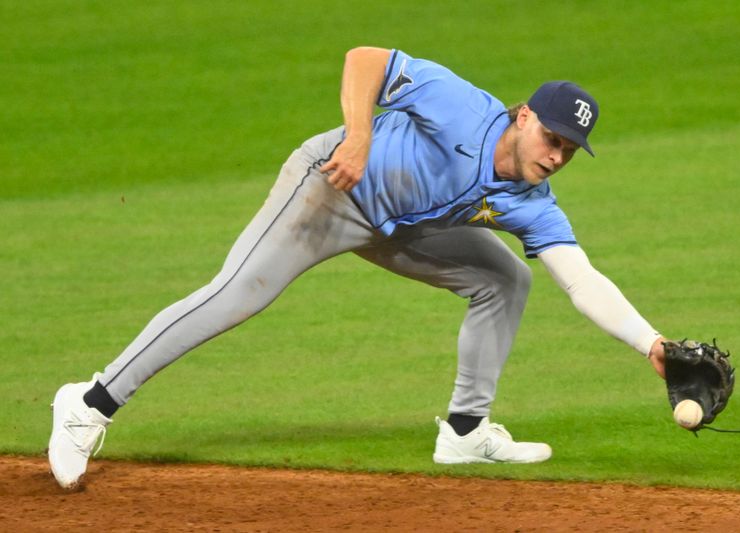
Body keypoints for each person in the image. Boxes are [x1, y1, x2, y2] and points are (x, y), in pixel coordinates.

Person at [48, 47, 668, 489]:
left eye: (569, 149)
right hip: (332, 189)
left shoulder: (534, 203)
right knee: (235, 295)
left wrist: (652, 345)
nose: (557, 155)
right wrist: (358, 135)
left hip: (403, 229)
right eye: (552, 138)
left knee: (507, 278)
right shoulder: (460, 106)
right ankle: (89, 403)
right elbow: (365, 58)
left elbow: (583, 280)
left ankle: (465, 431)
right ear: (524, 116)